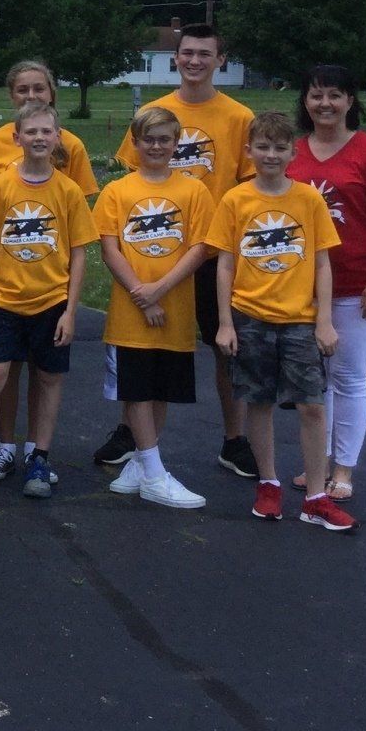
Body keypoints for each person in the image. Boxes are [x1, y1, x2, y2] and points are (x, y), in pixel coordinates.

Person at [109, 24, 257, 479]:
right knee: (145, 346)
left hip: (212, 254)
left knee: (224, 346)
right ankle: (132, 435)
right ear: (175, 58)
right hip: (154, 253)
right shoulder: (154, 112)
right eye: (187, 53)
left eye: (204, 54)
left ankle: (234, 439)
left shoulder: (238, 117)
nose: (195, 61)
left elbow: (250, 185)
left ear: (220, 59)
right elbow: (130, 180)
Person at [206, 110, 353, 532]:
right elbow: (225, 266)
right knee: (259, 401)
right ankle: (268, 484)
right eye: (263, 147)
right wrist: (225, 323)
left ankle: (316, 496)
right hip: (250, 317)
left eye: (280, 147)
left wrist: (324, 320)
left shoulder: (308, 200)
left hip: (299, 321)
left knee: (311, 404)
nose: (271, 154)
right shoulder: (236, 200)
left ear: (293, 152)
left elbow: (323, 264)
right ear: (249, 151)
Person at [0, 102, 95, 505]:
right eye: (31, 132)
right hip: (6, 300)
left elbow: (79, 251)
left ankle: (39, 457)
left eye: (47, 131)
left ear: (58, 138)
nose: (40, 138)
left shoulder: (67, 190)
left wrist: (71, 310)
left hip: (52, 301)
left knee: (48, 378)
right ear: (16, 137)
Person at [286, 64, 366, 502]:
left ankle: (344, 469)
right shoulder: (292, 151)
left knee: (349, 378)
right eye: (316, 95)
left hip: (355, 286)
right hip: (302, 287)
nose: (325, 104)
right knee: (314, 383)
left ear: (351, 101)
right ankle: (318, 464)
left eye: (334, 95)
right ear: (305, 101)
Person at [93, 105, 216, 510]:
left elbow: (200, 247)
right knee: (137, 388)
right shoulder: (118, 191)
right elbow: (109, 246)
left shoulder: (194, 190)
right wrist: (140, 294)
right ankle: (154, 471)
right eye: (150, 139)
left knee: (161, 389)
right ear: (136, 142)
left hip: (175, 308)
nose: (158, 146)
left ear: (177, 144)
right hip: (131, 312)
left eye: (165, 139)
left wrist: (159, 290)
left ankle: (140, 468)